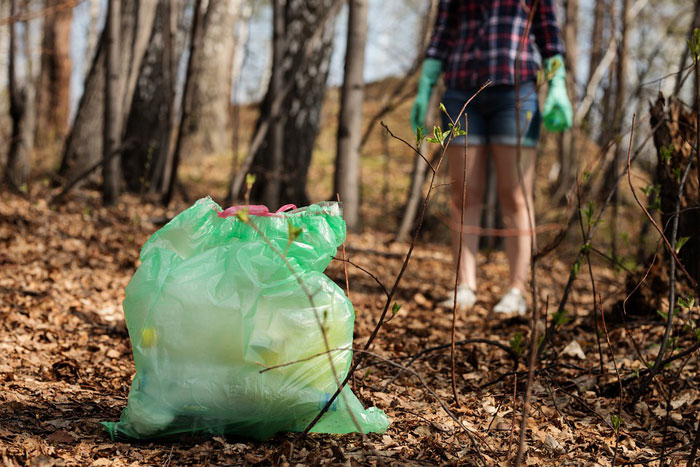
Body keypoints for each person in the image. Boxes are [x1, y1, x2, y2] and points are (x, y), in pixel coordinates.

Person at [410, 0, 573, 315]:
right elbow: (443, 33)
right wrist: (426, 82)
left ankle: (516, 290)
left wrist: (557, 82)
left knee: (515, 195)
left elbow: (549, 35)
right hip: (459, 92)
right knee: (463, 192)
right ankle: (464, 286)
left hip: (516, 92)